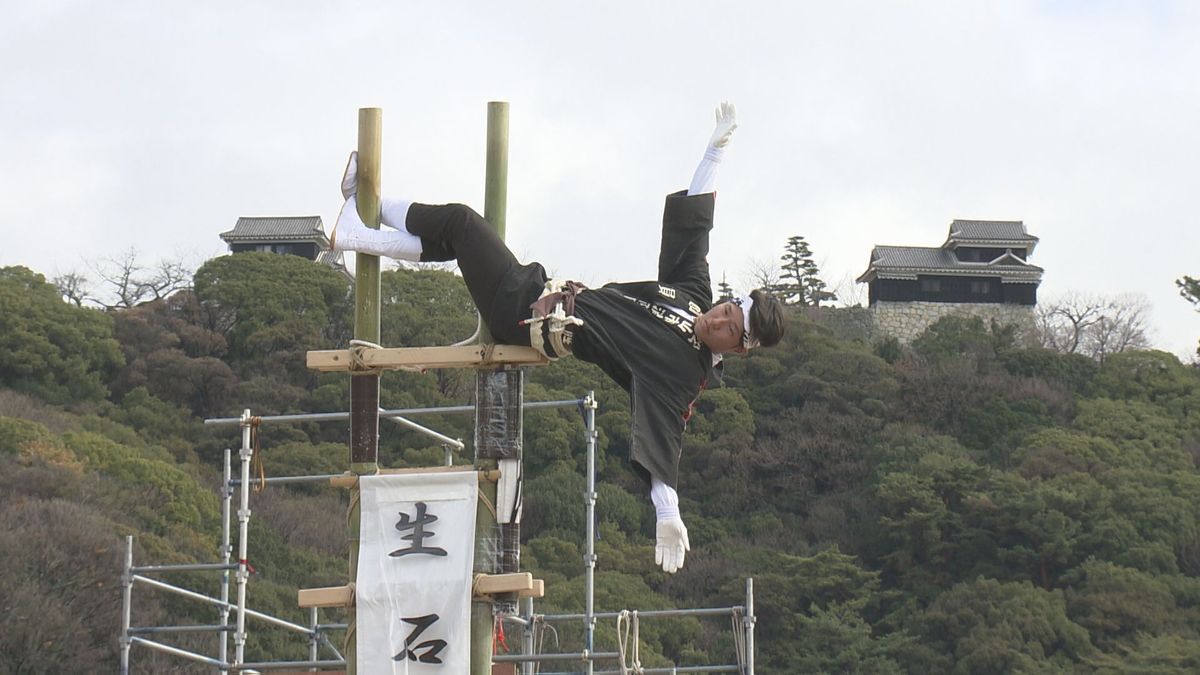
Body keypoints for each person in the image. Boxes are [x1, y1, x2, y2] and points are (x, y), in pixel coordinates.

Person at [331, 103, 785, 573]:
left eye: (730, 329)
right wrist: (715, 151)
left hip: (527, 316)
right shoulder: (693, 297)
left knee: (462, 224)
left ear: (737, 348)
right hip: (543, 289)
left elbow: (666, 438)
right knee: (454, 240)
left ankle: (370, 209)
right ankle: (358, 228)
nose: (718, 320)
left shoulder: (681, 376)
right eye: (727, 310)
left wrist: (667, 510)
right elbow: (695, 228)